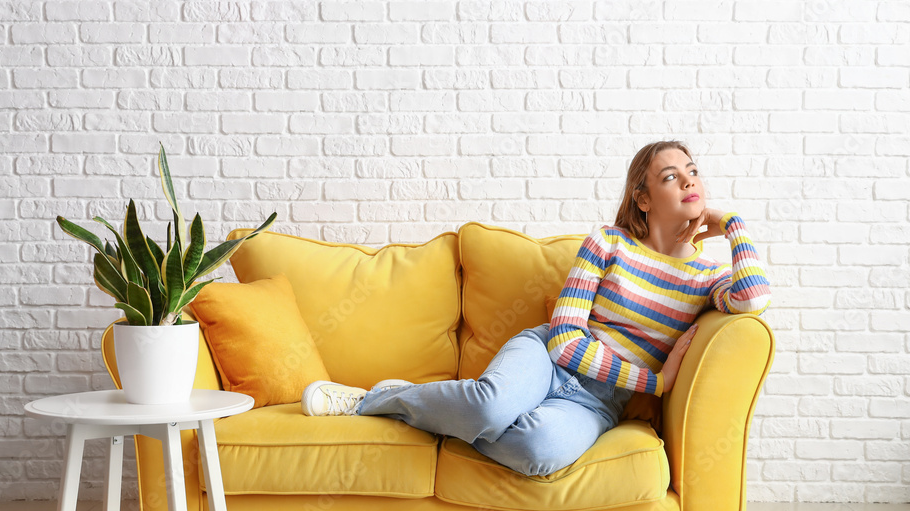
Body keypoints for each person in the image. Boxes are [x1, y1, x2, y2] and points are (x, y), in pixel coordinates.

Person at [300, 140, 772, 477]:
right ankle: (374, 400)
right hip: (545, 357)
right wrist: (655, 382)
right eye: (671, 176)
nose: (690, 180)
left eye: (693, 171)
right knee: (490, 405)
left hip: (596, 402)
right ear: (643, 198)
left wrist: (733, 222)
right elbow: (566, 340)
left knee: (537, 451)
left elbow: (753, 298)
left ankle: (443, 411)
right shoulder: (607, 243)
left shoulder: (708, 279)